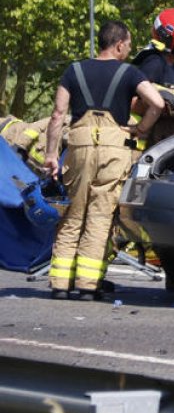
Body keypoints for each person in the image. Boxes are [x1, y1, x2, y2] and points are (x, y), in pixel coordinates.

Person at [43, 21, 165, 301]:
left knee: (73, 214)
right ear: (119, 44)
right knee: (99, 216)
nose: (130, 49)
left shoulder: (74, 70)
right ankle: (88, 286)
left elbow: (58, 113)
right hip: (114, 147)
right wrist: (141, 129)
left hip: (80, 144)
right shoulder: (130, 72)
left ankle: (60, 284)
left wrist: (51, 155)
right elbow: (157, 103)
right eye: (129, 45)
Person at [130, 8, 174, 145]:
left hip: (163, 136)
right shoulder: (154, 62)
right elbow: (131, 102)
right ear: (168, 39)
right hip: (147, 142)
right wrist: (161, 105)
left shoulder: (170, 62)